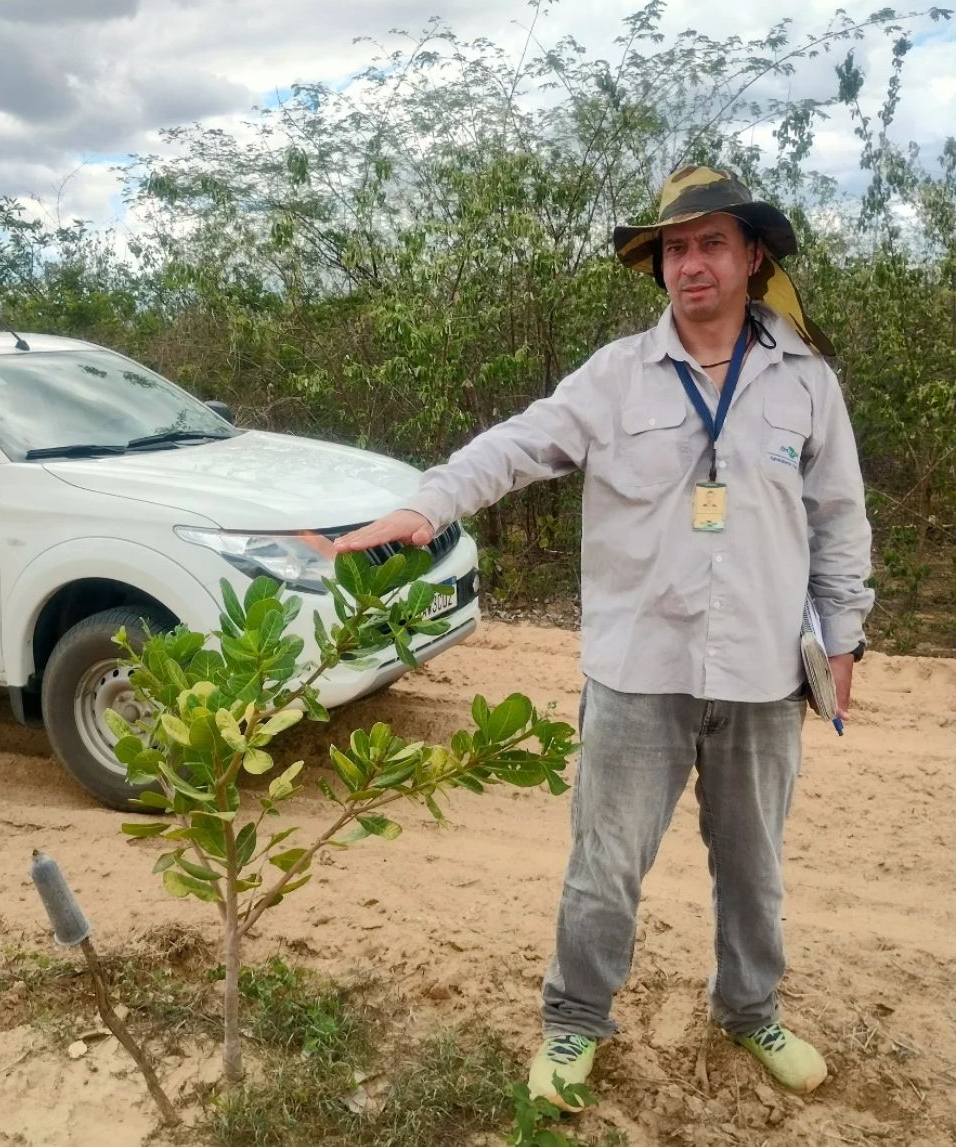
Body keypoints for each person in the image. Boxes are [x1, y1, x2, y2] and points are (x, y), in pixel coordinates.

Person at [334, 166, 873, 1105]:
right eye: (675, 247)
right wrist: (427, 505)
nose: (691, 263)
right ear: (657, 265)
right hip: (638, 669)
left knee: (755, 870)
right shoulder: (614, 376)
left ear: (752, 256)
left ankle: (751, 1010)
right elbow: (514, 444)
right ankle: (575, 1021)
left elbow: (838, 517)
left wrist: (844, 635)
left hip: (759, 673)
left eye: (712, 243)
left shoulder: (806, 380)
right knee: (603, 871)